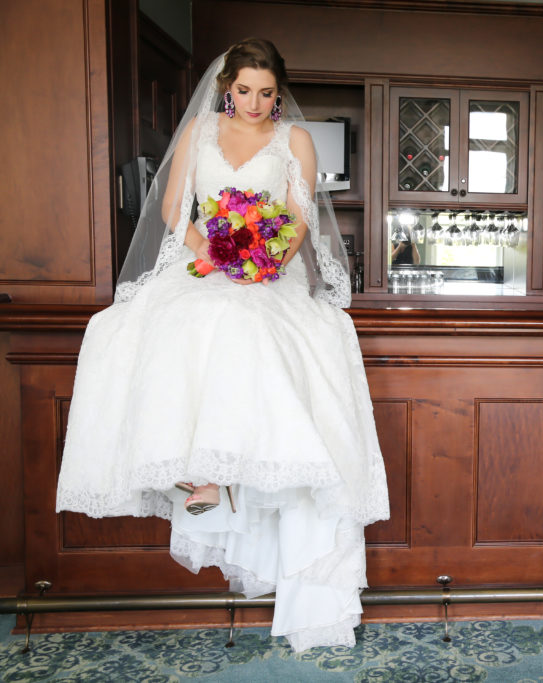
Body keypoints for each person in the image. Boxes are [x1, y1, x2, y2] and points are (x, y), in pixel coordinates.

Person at [55, 38, 389, 652]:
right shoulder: (200, 133)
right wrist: (211, 251)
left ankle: (225, 476)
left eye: (266, 93)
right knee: (145, 324)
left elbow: (297, 219)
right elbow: (175, 206)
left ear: (278, 93)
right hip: (205, 260)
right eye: (244, 91)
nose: (255, 103)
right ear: (225, 88)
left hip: (269, 270)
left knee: (251, 326)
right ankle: (200, 470)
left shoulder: (296, 140)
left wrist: (262, 260)